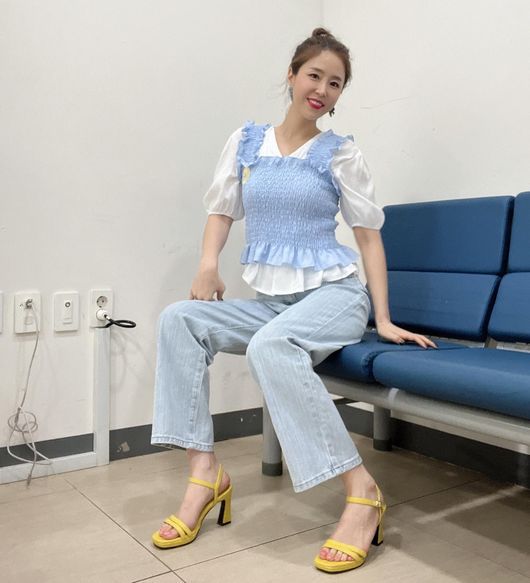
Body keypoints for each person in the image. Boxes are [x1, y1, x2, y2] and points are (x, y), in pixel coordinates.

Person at [150, 27, 436, 573]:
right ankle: (205, 475)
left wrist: (382, 317)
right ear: (291, 75)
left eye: (335, 83)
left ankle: (362, 492)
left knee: (271, 346)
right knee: (180, 319)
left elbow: (368, 238)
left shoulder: (341, 153)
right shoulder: (246, 143)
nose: (322, 90)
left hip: (334, 297)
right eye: (314, 76)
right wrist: (208, 263)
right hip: (275, 305)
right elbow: (221, 211)